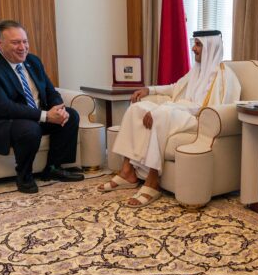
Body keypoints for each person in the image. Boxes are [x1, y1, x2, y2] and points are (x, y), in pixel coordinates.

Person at [98, 30, 240, 206]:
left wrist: (167, 108)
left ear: (211, 47)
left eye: (198, 45)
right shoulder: (196, 71)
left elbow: (212, 109)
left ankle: (152, 182)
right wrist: (149, 90)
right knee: (136, 109)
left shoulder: (225, 76)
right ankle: (127, 171)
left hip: (198, 118)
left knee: (161, 115)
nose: (193, 49)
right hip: (179, 111)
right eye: (194, 44)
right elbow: (175, 88)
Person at [0, 20, 84, 194]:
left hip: (32, 114)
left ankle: (54, 167)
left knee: (71, 115)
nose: (22, 47)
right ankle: (24, 176)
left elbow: (50, 91)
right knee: (29, 128)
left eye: (25, 41)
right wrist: (45, 116)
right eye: (15, 42)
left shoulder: (33, 61)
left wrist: (58, 109)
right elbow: (3, 107)